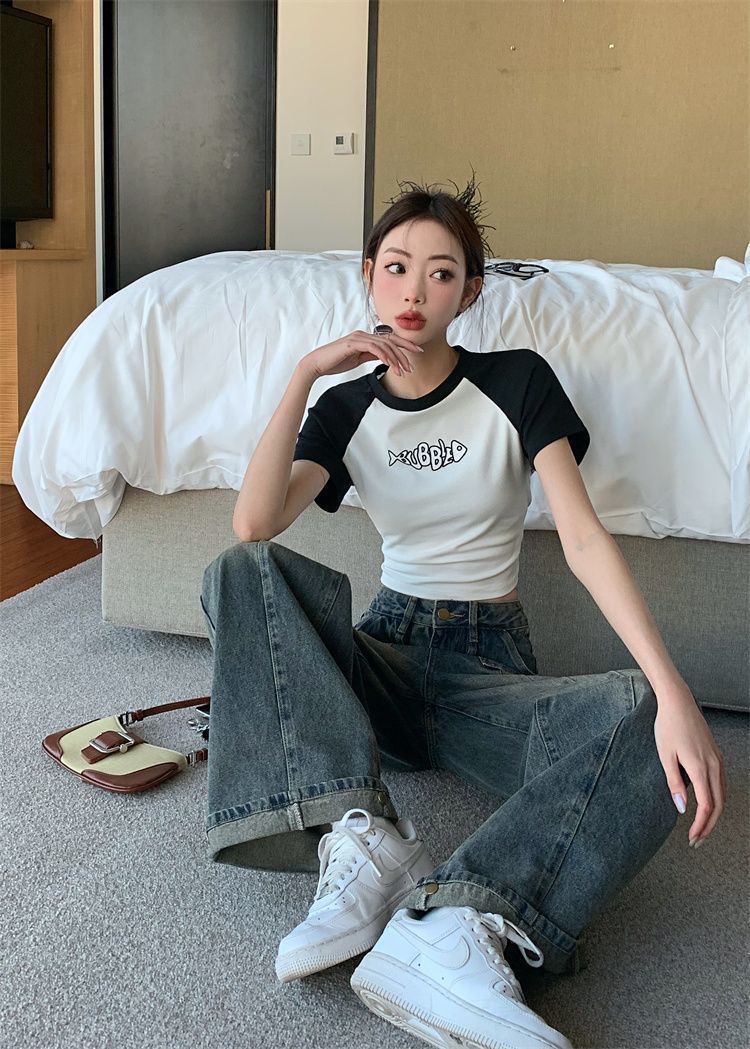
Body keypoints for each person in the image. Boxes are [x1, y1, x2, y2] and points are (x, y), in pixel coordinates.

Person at [200, 174, 727, 1049]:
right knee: (241, 571)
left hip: (490, 671)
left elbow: (583, 538)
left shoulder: (516, 381)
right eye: (397, 266)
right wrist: (304, 374)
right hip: (386, 653)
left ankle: (455, 924)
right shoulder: (345, 405)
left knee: (647, 715)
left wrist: (672, 691)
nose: (415, 289)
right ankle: (361, 835)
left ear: (469, 293)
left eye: (441, 273)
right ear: (369, 276)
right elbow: (255, 525)